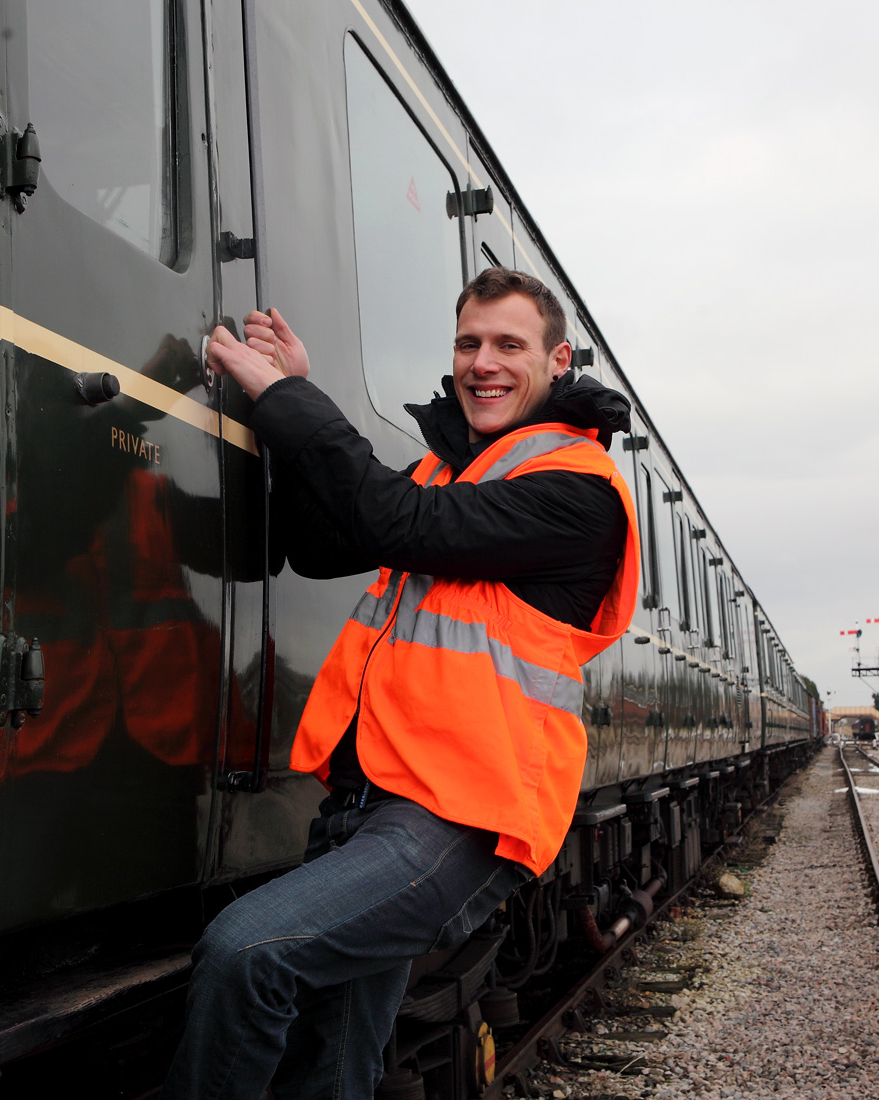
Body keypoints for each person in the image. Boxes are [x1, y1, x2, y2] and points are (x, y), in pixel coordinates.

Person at [160, 268, 640, 1100]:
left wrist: (289, 399)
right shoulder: (448, 473)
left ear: (558, 360)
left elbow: (394, 523)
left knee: (246, 953)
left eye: (508, 345)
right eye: (468, 343)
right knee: (333, 1057)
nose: (481, 363)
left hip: (460, 816)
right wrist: (293, 404)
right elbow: (323, 542)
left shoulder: (578, 490)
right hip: (369, 802)